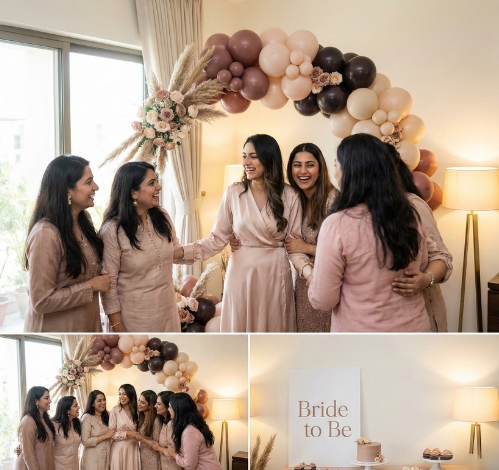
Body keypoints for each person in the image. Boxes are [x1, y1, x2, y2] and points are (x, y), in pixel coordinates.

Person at [181, 134, 312, 332]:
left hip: (274, 275)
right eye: (244, 156)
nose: (246, 162)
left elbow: (295, 248)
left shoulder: (290, 195)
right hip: (240, 275)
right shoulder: (234, 193)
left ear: (269, 158)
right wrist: (180, 252)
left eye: (253, 156)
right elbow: (216, 240)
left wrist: (310, 273)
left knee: (273, 331)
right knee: (240, 330)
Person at [308, 133, 431, 332]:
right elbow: (422, 265)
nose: (335, 173)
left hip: (363, 337)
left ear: (350, 172)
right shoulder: (411, 215)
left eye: (336, 165)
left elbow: (323, 300)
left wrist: (311, 276)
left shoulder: (337, 224)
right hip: (414, 332)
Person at [100, 161, 194, 332]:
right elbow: (109, 287)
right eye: (151, 183)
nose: (159, 187)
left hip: (168, 316)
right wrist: (119, 329)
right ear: (133, 192)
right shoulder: (113, 230)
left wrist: (215, 243)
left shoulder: (162, 216)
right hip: (134, 321)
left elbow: (175, 252)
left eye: (156, 181)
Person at [24, 155, 110, 332]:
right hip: (55, 332)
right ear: (67, 190)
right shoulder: (45, 234)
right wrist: (92, 286)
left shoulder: (82, 222)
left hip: (86, 328)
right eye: (88, 182)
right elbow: (41, 301)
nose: (96, 187)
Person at [386, 144, 453, 332]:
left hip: (421, 312)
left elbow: (441, 257)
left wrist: (426, 279)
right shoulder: (359, 211)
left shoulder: (413, 205)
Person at [284, 143, 338, 332]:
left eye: (310, 165)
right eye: (297, 165)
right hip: (303, 285)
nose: (303, 171)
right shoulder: (292, 200)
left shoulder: (334, 200)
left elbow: (344, 251)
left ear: (320, 168)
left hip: (330, 283)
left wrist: (307, 248)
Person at [166, 393, 223, 470]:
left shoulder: (190, 432)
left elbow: (190, 464)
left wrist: (174, 454)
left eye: (170, 407)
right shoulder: (195, 424)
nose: (168, 410)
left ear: (178, 410)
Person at [13, 386, 57, 470]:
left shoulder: (44, 419)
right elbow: (28, 453)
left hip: (43, 467)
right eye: (46, 398)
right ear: (36, 401)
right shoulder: (28, 421)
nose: (50, 401)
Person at [140, 391, 185, 470]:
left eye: (159, 404)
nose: (155, 406)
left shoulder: (171, 425)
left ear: (168, 406)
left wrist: (158, 448)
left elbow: (173, 452)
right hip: (165, 465)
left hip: (173, 467)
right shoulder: (165, 422)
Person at [80, 390, 115, 470]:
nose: (103, 402)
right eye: (99, 400)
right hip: (91, 458)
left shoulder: (108, 415)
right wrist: (105, 436)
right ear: (92, 403)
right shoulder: (87, 418)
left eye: (104, 400)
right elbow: (85, 441)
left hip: (105, 457)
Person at [108, 384, 141, 470]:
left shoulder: (137, 411)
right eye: (119, 394)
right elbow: (111, 434)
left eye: (124, 394)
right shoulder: (115, 410)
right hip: (119, 449)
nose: (121, 396)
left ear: (131, 394)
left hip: (133, 448)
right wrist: (126, 433)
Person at [52, 396, 82, 470]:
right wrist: (20, 447)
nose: (79, 407)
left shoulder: (77, 423)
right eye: (75, 406)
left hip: (74, 467)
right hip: (59, 469)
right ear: (67, 410)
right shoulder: (53, 425)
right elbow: (41, 443)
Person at [136, 390, 162, 470]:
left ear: (150, 405)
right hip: (141, 455)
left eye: (142, 402)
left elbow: (156, 443)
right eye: (139, 400)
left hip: (152, 457)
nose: (139, 404)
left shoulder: (156, 420)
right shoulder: (141, 417)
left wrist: (141, 439)